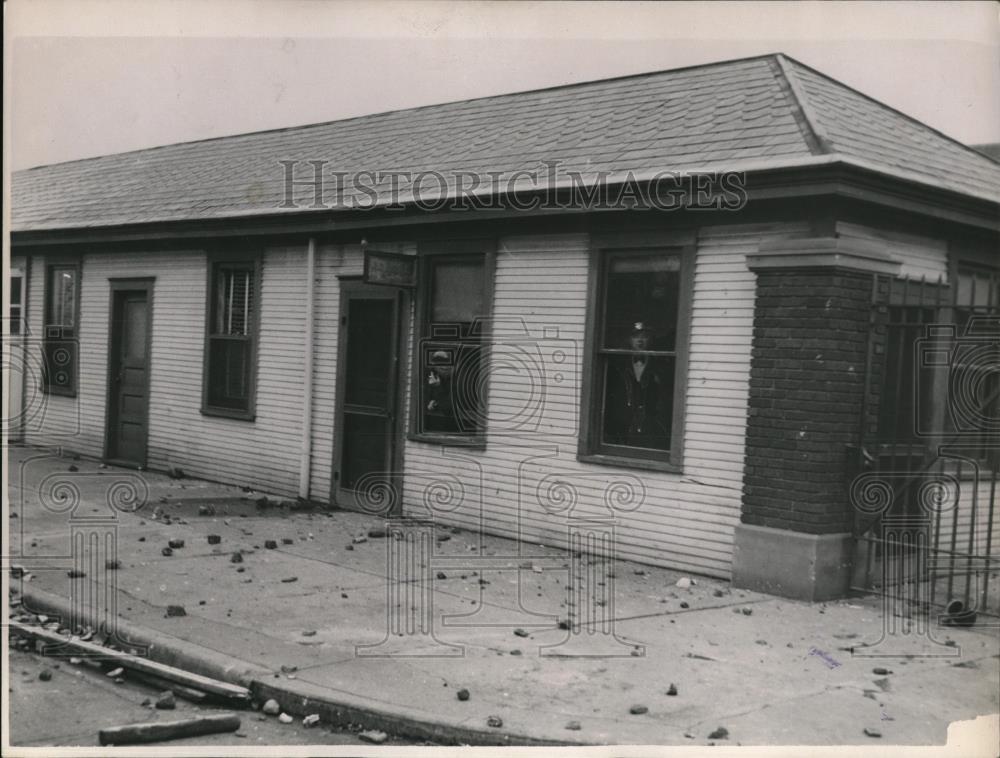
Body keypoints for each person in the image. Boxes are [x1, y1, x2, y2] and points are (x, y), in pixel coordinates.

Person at [604, 322, 672, 450]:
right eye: (635, 337)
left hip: (652, 429)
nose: (640, 341)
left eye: (644, 336)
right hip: (622, 429)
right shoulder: (617, 366)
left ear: (651, 339)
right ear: (629, 340)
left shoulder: (663, 366)